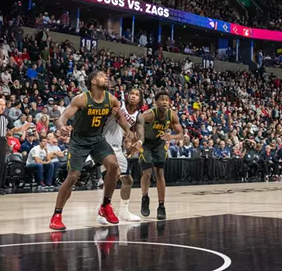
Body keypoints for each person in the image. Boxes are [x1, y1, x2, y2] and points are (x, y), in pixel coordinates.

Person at [49, 70, 131, 231]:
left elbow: (120, 117)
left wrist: (129, 132)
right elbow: (62, 117)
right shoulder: (81, 99)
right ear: (93, 82)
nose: (106, 77)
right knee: (73, 176)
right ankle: (57, 215)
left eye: (106, 76)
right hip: (79, 140)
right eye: (101, 76)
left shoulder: (111, 99)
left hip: (98, 139)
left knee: (114, 166)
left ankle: (106, 206)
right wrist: (61, 127)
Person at [135, 91, 183, 220]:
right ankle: (145, 197)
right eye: (161, 99)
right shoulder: (149, 115)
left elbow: (181, 134)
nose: (165, 102)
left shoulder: (172, 115)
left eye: (167, 99)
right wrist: (139, 140)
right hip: (146, 143)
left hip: (159, 144)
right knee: (147, 173)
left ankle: (161, 206)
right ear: (155, 102)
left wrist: (171, 137)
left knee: (160, 173)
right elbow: (138, 125)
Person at [100, 87, 142, 222]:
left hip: (118, 147)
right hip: (104, 143)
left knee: (127, 180)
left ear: (140, 99)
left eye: (137, 94)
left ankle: (123, 211)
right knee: (114, 175)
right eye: (132, 93)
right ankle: (103, 209)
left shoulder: (138, 115)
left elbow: (138, 132)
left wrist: (136, 142)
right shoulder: (117, 105)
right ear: (127, 95)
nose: (133, 96)